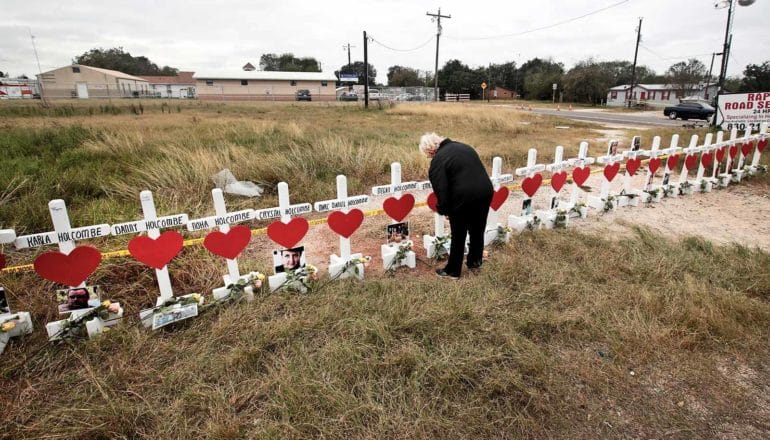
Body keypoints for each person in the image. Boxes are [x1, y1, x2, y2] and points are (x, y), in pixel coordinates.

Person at [420, 133, 494, 279]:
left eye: (428, 156)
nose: (429, 158)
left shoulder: (438, 159)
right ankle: (475, 262)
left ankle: (452, 271)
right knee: (477, 229)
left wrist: (445, 210)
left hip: (464, 197)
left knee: (458, 234)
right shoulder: (464, 147)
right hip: (485, 191)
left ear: (430, 151)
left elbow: (441, 189)